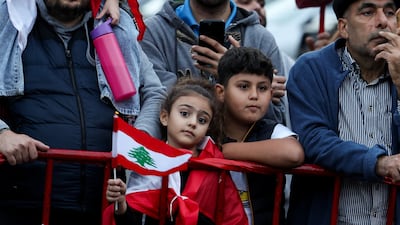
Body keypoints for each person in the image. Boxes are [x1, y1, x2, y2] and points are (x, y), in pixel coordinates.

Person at [0, 0, 166, 224]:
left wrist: (138, 140)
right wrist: (2, 134)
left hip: (104, 206)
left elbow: (154, 93)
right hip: (25, 205)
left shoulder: (118, 29)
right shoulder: (10, 23)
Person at [286, 0, 400, 224]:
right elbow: (314, 139)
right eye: (368, 12)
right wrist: (379, 163)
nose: (383, 22)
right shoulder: (311, 69)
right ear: (343, 28)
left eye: (389, 12)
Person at [105, 78, 247, 225]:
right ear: (165, 117)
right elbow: (133, 219)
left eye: (202, 120)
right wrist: (121, 204)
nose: (193, 123)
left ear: (208, 128)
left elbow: (232, 219)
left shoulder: (215, 167)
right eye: (185, 113)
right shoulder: (150, 162)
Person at [140, 0, 289, 125]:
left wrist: (235, 76)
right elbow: (157, 104)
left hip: (243, 155)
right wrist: (242, 80)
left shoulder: (260, 38)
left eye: (261, 87)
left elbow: (277, 119)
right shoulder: (153, 32)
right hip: (177, 155)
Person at [215, 47, 304, 225]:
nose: (254, 95)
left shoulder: (270, 131)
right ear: (220, 92)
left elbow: (293, 153)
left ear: (271, 94)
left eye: (262, 88)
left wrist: (226, 151)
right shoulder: (209, 130)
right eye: (243, 86)